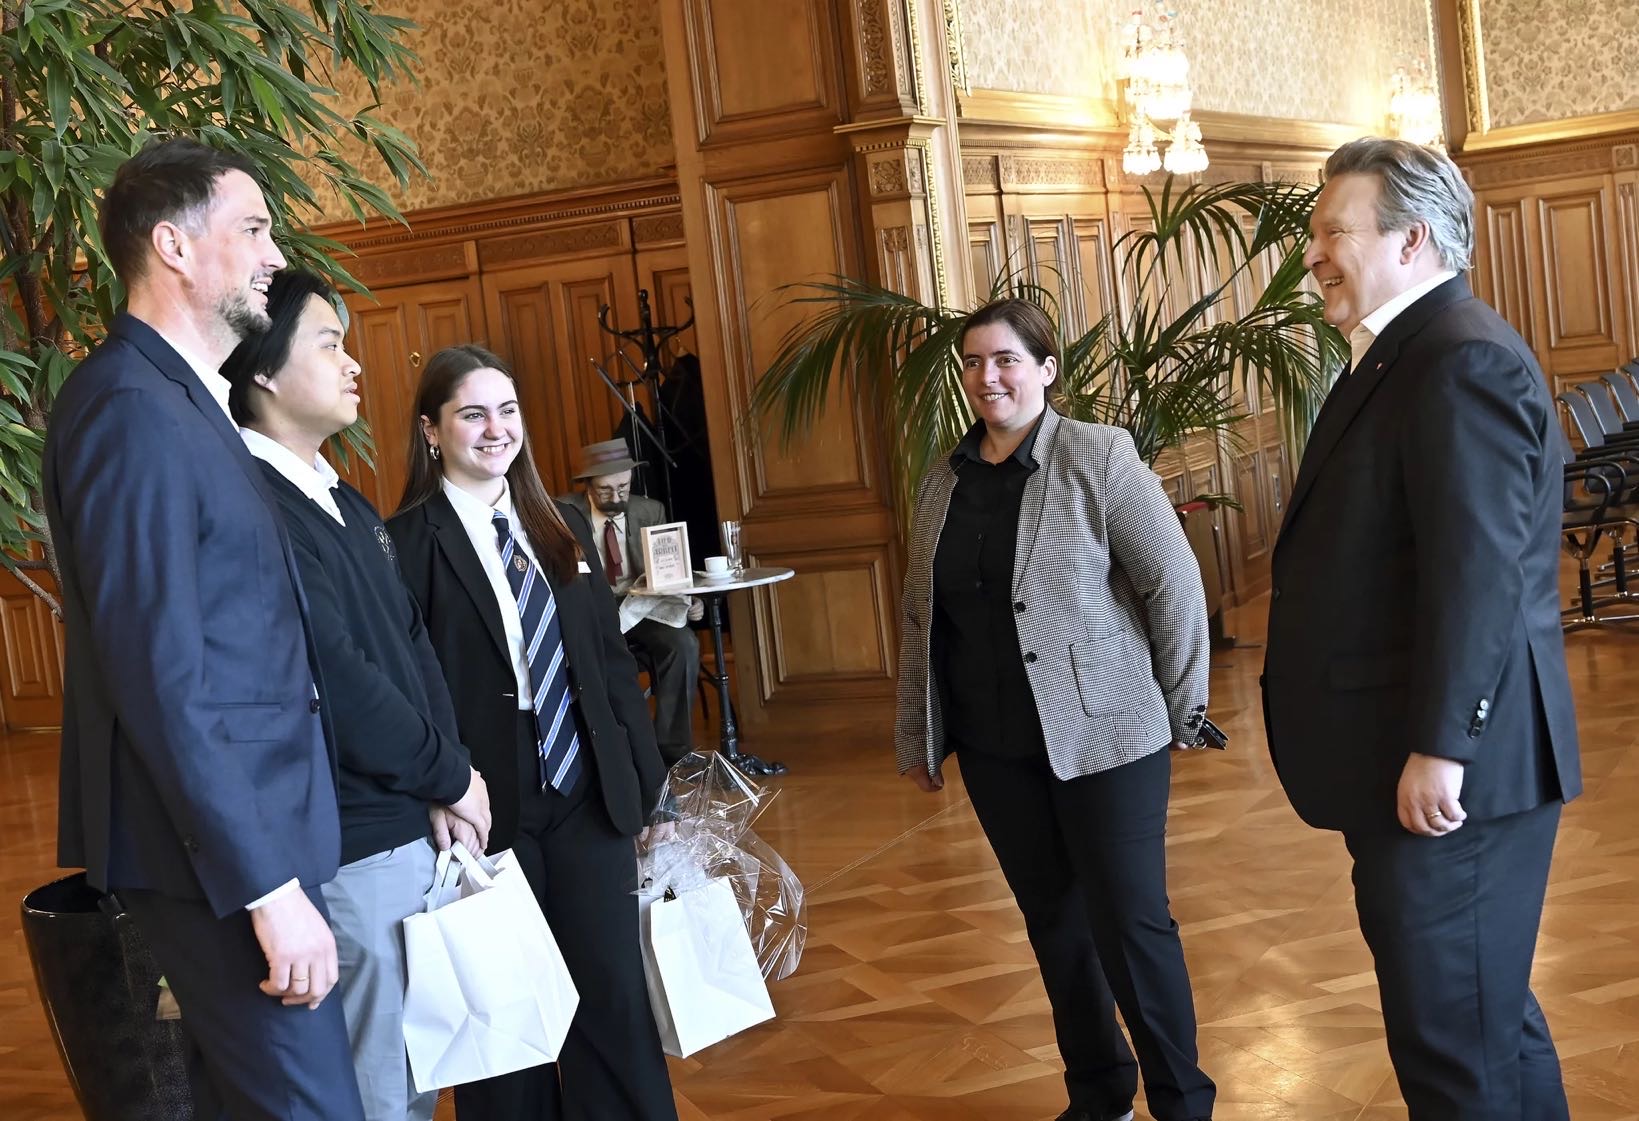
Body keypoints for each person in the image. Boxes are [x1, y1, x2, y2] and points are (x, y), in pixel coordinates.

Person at [42, 139, 366, 1119]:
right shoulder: (129, 409)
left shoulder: (186, 399)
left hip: (240, 838)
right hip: (219, 861)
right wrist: (267, 887)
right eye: (255, 229)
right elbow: (161, 674)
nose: (276, 254)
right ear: (174, 246)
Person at [1263, 137, 1581, 1120]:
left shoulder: (1457, 359)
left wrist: (1441, 745)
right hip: (1417, 765)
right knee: (1486, 1024)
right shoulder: (1403, 352)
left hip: (1456, 778)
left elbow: (1476, 576)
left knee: (1452, 1051)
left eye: (1330, 231)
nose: (1312, 253)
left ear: (1410, 238)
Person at [895, 298, 1217, 1121]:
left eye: (1005, 359)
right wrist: (920, 735)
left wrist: (1184, 708)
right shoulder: (943, 477)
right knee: (1055, 925)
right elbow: (921, 612)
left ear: (1045, 368)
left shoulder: (1097, 455)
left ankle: (1182, 1102)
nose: (986, 376)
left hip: (1106, 736)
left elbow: (1171, 582)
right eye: (972, 362)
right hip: (995, 746)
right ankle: (1098, 1091)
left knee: (1130, 925)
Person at [221, 270, 493, 1121]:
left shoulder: (338, 495)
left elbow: (413, 649)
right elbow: (336, 677)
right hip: (354, 844)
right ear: (263, 372)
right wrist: (446, 776)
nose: (354, 367)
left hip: (408, 820)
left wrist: (449, 780)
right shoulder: (259, 506)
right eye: (329, 344)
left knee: (411, 1086)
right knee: (380, 1099)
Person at [385, 345, 678, 1121]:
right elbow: (408, 691)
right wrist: (438, 787)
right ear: (431, 430)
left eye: (507, 411)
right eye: (472, 413)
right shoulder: (404, 543)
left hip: (587, 786)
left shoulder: (562, 521)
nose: (495, 429)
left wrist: (650, 793)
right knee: (506, 1022)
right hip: (484, 799)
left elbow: (609, 665)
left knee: (613, 999)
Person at [562, 438, 702, 766]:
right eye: (606, 489)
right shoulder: (564, 512)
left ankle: (673, 752)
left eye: (623, 487)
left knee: (684, 645)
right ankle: (602, 754)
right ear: (587, 486)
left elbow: (671, 568)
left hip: (642, 607)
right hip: (591, 611)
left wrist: (690, 601)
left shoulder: (649, 510)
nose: (616, 497)